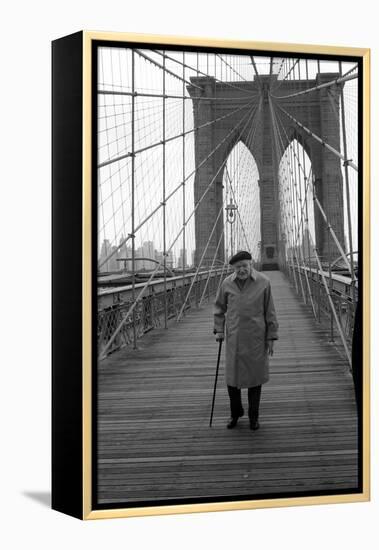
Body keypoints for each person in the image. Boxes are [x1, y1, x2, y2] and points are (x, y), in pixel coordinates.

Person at [213, 250, 279, 431]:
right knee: (232, 379)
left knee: (255, 379)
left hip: (256, 338)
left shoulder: (264, 282)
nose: (241, 270)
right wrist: (218, 330)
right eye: (237, 267)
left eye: (244, 266)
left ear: (251, 264)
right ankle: (235, 413)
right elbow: (219, 308)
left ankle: (253, 416)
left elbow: (270, 311)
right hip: (234, 338)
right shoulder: (227, 283)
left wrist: (271, 336)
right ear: (233, 269)